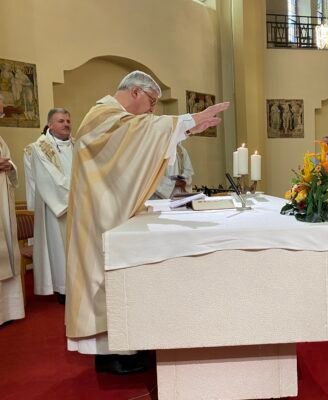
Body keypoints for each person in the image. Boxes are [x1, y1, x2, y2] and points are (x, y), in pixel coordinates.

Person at [64, 70, 229, 374]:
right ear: (136, 92)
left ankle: (124, 347)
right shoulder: (103, 114)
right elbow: (137, 134)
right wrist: (187, 122)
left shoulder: (115, 118)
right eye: (152, 101)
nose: (153, 110)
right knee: (104, 276)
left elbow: (137, 137)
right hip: (100, 214)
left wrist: (186, 128)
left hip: (110, 210)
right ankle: (111, 354)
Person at [31, 109, 74, 303]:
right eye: (61, 121)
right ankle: (63, 289)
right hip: (57, 206)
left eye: (68, 120)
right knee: (60, 247)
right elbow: (48, 177)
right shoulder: (40, 147)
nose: (66, 124)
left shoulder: (77, 144)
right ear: (50, 125)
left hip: (80, 204)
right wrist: (73, 195)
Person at [0, 136, 25, 326]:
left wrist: (10, 167)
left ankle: (8, 312)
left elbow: (9, 163)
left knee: (8, 253)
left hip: (4, 202)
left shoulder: (2, 139)